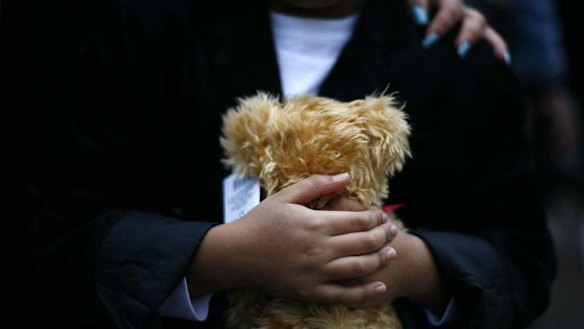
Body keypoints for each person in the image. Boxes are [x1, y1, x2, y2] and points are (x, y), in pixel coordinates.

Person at [3, 0, 555, 328]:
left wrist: (408, 265)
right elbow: (57, 227)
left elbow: (522, 258)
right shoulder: (141, 31)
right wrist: (216, 257)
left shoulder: (455, 53)